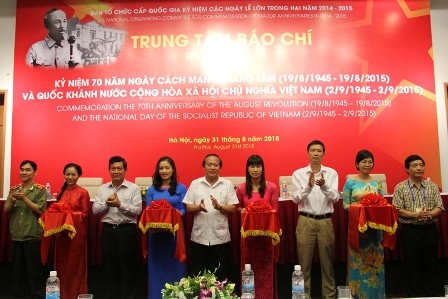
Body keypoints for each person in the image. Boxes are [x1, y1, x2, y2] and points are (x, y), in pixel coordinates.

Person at [291, 140, 339, 299]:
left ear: (323, 154)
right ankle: (303, 297)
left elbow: (335, 198)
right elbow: (296, 199)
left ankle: (330, 297)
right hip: (306, 221)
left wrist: (324, 186)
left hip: (325, 220)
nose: (316, 153)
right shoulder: (298, 174)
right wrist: (309, 187)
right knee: (304, 266)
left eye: (319, 151)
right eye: (313, 150)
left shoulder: (331, 173)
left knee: (327, 265)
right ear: (308, 153)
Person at [392, 155, 444, 297]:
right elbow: (397, 209)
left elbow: (439, 207)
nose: (419, 168)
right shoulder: (400, 187)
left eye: (421, 165)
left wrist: (430, 215)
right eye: (415, 165)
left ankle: (430, 295)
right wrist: (417, 215)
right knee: (412, 265)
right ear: (407, 169)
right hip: (410, 231)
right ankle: (413, 295)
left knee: (430, 265)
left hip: (430, 230)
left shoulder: (432, 186)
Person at [183, 153, 239, 281]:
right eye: (209, 164)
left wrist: (219, 207)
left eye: (216, 165)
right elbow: (188, 207)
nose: (212, 167)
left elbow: (232, 208)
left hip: (221, 239)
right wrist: (198, 208)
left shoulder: (227, 184)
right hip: (199, 238)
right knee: (199, 277)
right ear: (203, 167)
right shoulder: (195, 183)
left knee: (220, 277)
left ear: (220, 168)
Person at [92, 156, 142, 299]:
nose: (116, 171)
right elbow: (95, 210)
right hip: (108, 231)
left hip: (127, 231)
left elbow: (137, 210)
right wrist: (108, 204)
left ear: (125, 170)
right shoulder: (103, 188)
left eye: (119, 168)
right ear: (109, 170)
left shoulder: (133, 188)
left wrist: (120, 204)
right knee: (109, 268)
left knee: (128, 268)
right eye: (113, 168)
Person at [342, 150, 386, 298]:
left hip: (375, 230)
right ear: (357, 164)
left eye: (370, 162)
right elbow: (345, 205)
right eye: (364, 162)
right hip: (358, 229)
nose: (367, 164)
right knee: (357, 263)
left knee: (376, 263)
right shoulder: (350, 182)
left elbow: (383, 202)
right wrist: (362, 209)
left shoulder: (377, 182)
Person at [236, 154, 279, 299]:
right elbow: (238, 208)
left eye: (258, 166)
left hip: (266, 236)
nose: (255, 169)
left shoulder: (271, 187)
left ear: (262, 168)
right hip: (248, 237)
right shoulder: (241, 188)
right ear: (247, 169)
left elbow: (275, 210)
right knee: (248, 269)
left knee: (266, 270)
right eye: (252, 166)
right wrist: (244, 210)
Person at [145, 156, 187, 299]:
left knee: (175, 267)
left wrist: (171, 216)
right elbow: (148, 211)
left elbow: (183, 210)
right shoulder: (151, 190)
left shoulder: (181, 188)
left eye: (167, 168)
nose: (164, 171)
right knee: (157, 268)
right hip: (156, 235)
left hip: (174, 235)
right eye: (161, 168)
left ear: (173, 170)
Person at [4, 160, 47, 298]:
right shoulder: (13, 189)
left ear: (35, 172)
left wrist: (24, 198)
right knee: (17, 271)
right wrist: (13, 200)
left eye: (28, 170)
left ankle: (35, 296)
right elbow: (6, 211)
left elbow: (41, 210)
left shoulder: (40, 190)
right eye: (22, 169)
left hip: (32, 235)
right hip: (17, 235)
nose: (24, 172)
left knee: (33, 272)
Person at [53, 163, 90, 299]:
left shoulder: (83, 192)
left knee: (75, 267)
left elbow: (85, 214)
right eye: (67, 174)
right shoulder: (61, 192)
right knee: (61, 266)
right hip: (62, 235)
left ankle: (75, 295)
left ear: (79, 176)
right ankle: (61, 295)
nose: (70, 177)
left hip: (76, 234)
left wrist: (69, 216)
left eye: (73, 174)